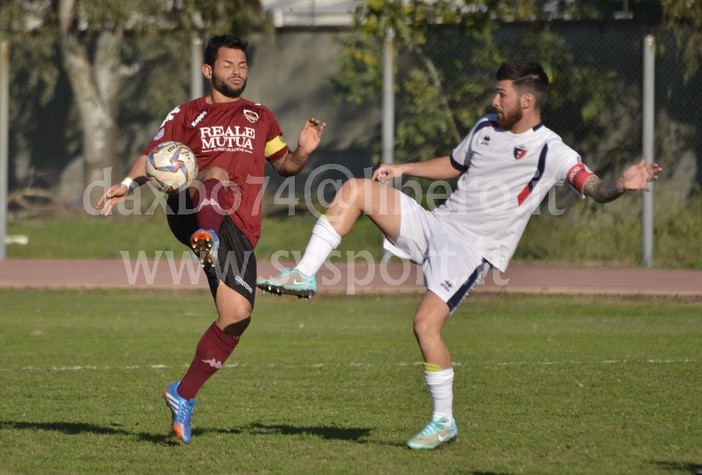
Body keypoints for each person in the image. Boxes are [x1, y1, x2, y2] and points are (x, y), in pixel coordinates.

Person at [256, 59, 662, 450]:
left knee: (424, 326)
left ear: (526, 101)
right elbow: (455, 163)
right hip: (437, 225)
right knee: (355, 190)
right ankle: (305, 273)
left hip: (470, 251)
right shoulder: (487, 126)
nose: (493, 101)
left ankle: (444, 420)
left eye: (501, 94)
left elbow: (592, 187)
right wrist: (403, 169)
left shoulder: (551, 151)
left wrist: (621, 185)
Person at [97, 34, 326, 444]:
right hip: (192, 208)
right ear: (209, 70)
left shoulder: (261, 116)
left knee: (237, 315)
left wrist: (304, 152)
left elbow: (284, 165)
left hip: (237, 227)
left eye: (241, 65)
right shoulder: (189, 114)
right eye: (227, 65)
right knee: (215, 175)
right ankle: (207, 235)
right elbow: (154, 155)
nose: (236, 72)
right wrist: (128, 184)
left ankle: (182, 394)